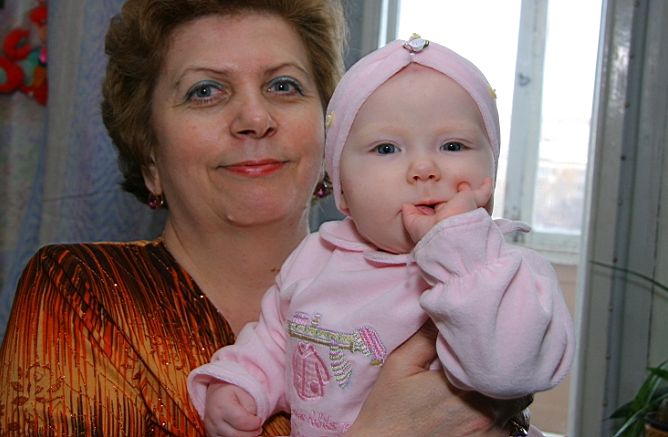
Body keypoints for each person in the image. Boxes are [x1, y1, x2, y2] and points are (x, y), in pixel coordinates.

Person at [0, 0, 531, 436]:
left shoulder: (451, 286)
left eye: (283, 85)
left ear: (334, 142)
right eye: (205, 91)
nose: (255, 118)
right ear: (149, 155)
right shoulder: (81, 292)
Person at [188, 36, 575, 437]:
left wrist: (461, 250)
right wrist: (243, 384)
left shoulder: (506, 274)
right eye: (387, 148)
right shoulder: (315, 258)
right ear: (343, 190)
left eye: (453, 145)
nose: (424, 169)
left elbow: (508, 373)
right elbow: (277, 341)